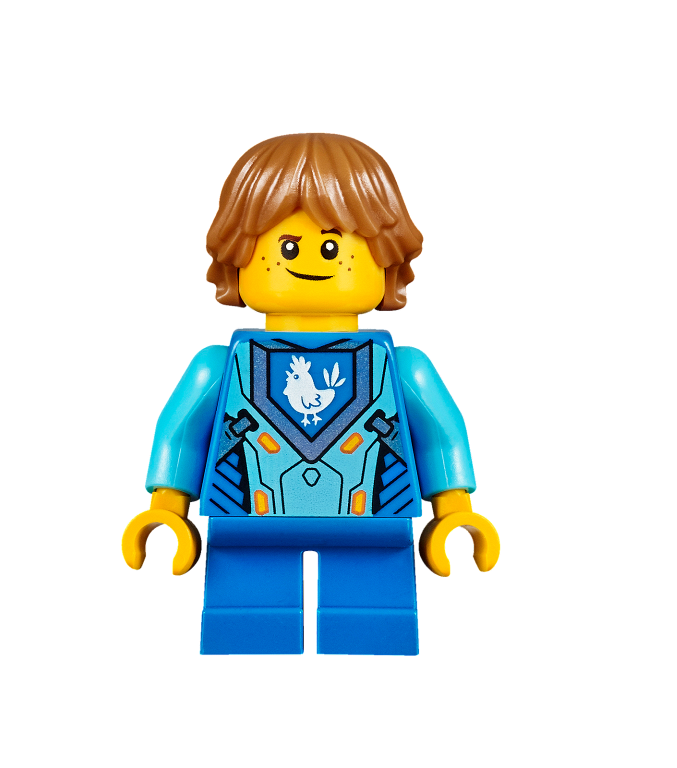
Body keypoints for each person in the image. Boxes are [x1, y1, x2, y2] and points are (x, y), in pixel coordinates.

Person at [121, 133, 499, 655]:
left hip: (373, 525)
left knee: (375, 629)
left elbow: (440, 434)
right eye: (287, 246)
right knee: (246, 629)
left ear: (385, 257)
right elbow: (180, 432)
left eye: (332, 246)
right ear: (238, 255)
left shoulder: (402, 367)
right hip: (247, 523)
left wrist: (454, 509)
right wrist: (167, 506)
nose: (315, 261)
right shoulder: (220, 366)